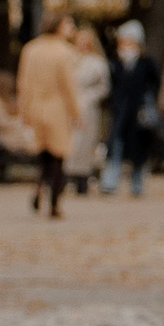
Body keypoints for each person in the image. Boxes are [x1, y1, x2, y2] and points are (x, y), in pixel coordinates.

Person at [15, 11, 84, 218]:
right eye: (68, 24)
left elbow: (23, 83)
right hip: (57, 109)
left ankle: (38, 189)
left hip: (36, 107)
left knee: (44, 156)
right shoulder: (64, 52)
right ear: (59, 26)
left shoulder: (30, 49)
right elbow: (68, 86)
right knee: (58, 157)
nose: (71, 29)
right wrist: (76, 113)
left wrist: (24, 110)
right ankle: (54, 202)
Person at [104, 19, 160, 197]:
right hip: (121, 112)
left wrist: (148, 100)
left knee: (138, 151)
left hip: (138, 113)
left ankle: (137, 185)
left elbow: (155, 83)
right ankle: (109, 182)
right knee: (115, 147)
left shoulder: (145, 62)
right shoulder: (116, 62)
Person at [68, 22, 111, 197]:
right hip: (69, 106)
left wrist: (89, 97)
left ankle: (82, 180)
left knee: (85, 143)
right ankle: (66, 177)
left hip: (88, 107)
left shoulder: (97, 62)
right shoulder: (68, 58)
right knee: (70, 142)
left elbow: (104, 87)